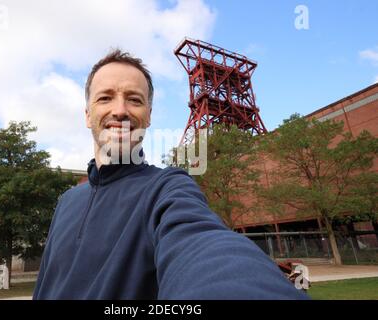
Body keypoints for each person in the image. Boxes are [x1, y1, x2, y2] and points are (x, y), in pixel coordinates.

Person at [32, 49, 308, 300]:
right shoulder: (67, 201)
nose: (120, 110)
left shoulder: (166, 187)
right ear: (87, 115)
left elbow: (201, 242)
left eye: (134, 99)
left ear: (149, 115)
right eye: (105, 98)